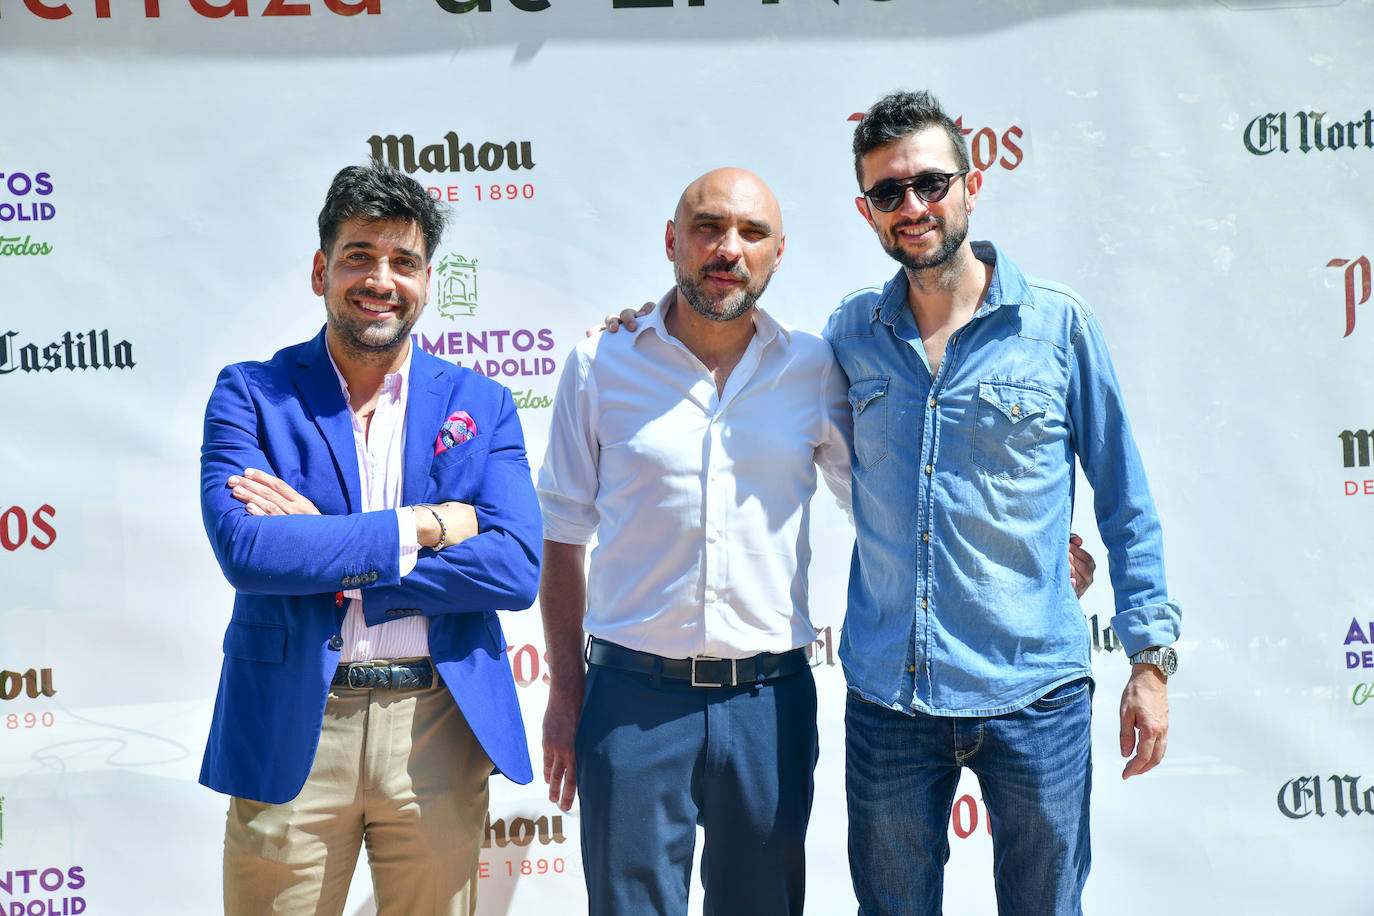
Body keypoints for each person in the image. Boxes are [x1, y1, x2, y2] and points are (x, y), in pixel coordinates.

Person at [827, 90, 1182, 915]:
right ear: (866, 210)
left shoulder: (1058, 327)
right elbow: (764, 402)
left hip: (1036, 697)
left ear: (971, 184)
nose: (912, 207)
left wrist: (1150, 661)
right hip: (892, 698)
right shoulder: (849, 335)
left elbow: (1126, 500)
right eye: (888, 193)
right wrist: (649, 326)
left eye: (929, 183)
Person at [197, 161, 542, 915]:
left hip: (438, 731)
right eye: (359, 255)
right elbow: (248, 552)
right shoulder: (251, 393)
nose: (380, 279)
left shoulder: (481, 404)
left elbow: (516, 567)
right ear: (322, 268)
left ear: (425, 279)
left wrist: (330, 552)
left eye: (403, 262)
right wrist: (423, 527)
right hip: (295, 725)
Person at [536, 167, 853, 915]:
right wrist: (565, 691)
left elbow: (883, 502)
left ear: (780, 252)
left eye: (752, 233)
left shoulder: (814, 368)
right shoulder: (598, 363)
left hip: (770, 703)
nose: (728, 249)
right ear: (672, 240)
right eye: (708, 227)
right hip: (631, 704)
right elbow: (560, 538)